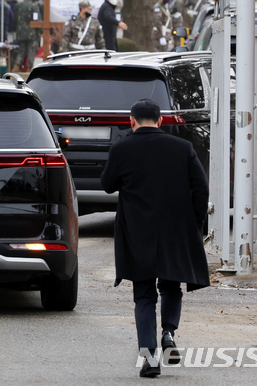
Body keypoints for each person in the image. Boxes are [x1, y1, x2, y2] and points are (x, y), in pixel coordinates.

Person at [100, 99, 209, 378]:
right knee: (171, 285)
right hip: (175, 230)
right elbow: (201, 189)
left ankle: (149, 358)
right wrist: (193, 226)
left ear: (131, 121)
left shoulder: (122, 148)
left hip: (137, 232)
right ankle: (169, 333)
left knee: (144, 295)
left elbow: (107, 184)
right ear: (160, 121)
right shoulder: (182, 148)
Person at [13, 0, 42, 72]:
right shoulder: (34, 6)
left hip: (20, 33)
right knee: (31, 51)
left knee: (21, 50)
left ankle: (16, 66)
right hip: (31, 34)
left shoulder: (19, 6)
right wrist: (41, 31)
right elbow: (37, 21)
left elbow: (15, 19)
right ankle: (29, 69)